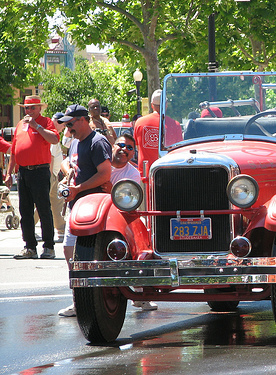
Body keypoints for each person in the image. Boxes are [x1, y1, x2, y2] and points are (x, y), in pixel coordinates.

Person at [57, 104, 112, 317]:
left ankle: (99, 302)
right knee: (69, 251)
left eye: (70, 124)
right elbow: (67, 162)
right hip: (76, 207)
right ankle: (78, 299)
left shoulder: (97, 142)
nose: (68, 129)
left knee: (93, 258)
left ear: (82, 120)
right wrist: (68, 170)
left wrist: (78, 188)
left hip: (94, 209)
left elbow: (105, 174)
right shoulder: (74, 143)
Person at [101, 133, 158, 311]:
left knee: (139, 238)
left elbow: (129, 205)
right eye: (121, 145)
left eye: (130, 148)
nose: (124, 150)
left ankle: (140, 294)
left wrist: (112, 191)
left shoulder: (133, 173)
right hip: (97, 218)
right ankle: (78, 301)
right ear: (112, 146)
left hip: (120, 217)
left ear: (133, 153)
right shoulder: (101, 166)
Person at [5, 96, 59, 259]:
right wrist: (9, 173)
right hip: (23, 172)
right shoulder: (21, 125)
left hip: (40, 171)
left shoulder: (46, 122)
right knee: (25, 211)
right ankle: (30, 247)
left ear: (39, 109)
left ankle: (49, 247)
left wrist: (37, 126)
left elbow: (55, 139)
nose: (29, 111)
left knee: (43, 209)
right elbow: (14, 150)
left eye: (32, 108)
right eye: (27, 108)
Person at [34, 112, 66, 245]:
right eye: (63, 125)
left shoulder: (52, 133)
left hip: (53, 174)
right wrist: (50, 176)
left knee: (56, 202)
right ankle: (29, 226)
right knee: (41, 203)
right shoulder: (50, 134)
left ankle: (61, 230)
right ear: (57, 122)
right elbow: (50, 157)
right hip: (49, 174)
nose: (64, 128)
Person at [134, 89, 183, 176]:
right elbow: (178, 151)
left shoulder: (139, 123)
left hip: (145, 175)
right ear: (166, 105)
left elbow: (137, 147)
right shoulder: (175, 125)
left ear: (152, 105)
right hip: (168, 174)